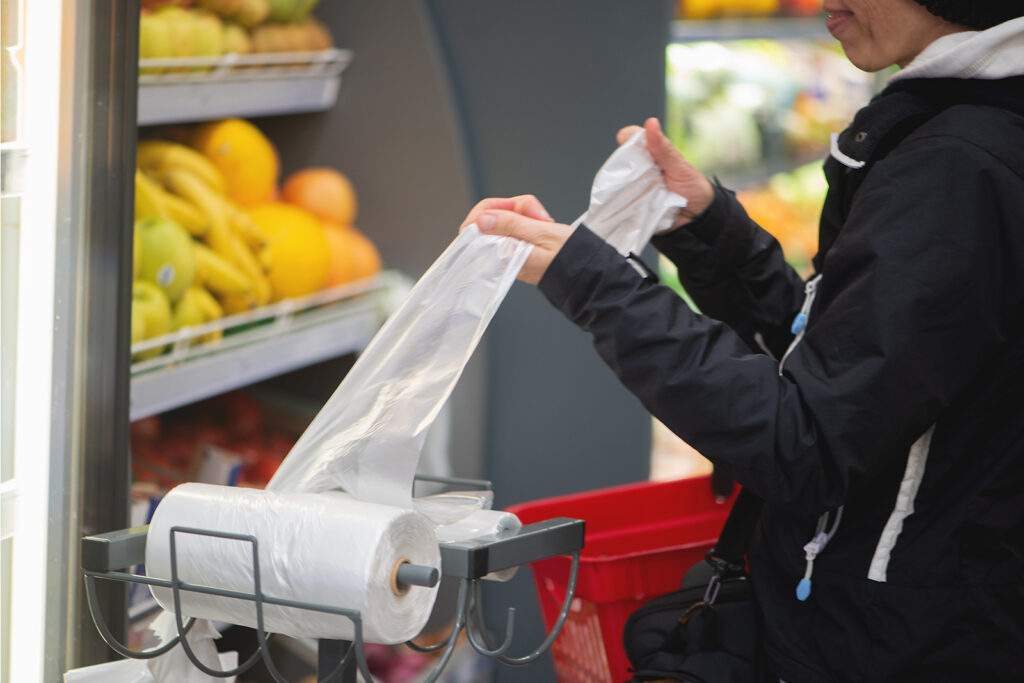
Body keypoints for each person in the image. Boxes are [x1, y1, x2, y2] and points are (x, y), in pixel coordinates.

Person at [462, 2, 1024, 681]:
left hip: (889, 643)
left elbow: (805, 439)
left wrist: (592, 282)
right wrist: (711, 232)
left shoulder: (956, 169)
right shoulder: (966, 132)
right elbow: (855, 371)